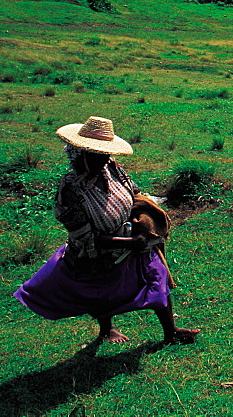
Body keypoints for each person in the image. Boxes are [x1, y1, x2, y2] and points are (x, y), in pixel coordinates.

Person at [14, 116, 199, 344]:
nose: (102, 161)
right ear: (79, 154)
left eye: (104, 155)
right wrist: (128, 243)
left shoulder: (112, 169)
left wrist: (141, 220)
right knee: (103, 292)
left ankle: (170, 331)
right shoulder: (70, 191)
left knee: (157, 278)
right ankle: (107, 329)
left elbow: (134, 192)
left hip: (134, 239)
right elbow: (85, 237)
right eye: (95, 156)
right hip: (101, 251)